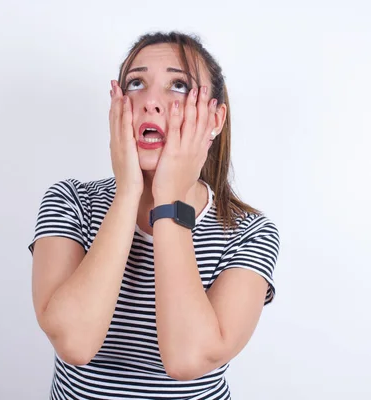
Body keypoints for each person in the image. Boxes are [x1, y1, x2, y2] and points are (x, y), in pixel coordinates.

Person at [28, 31, 280, 400]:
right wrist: (127, 190)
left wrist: (169, 199)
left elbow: (187, 359)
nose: (151, 102)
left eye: (178, 85)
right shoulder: (71, 201)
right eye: (136, 83)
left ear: (215, 117)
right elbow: (74, 343)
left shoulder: (249, 232)